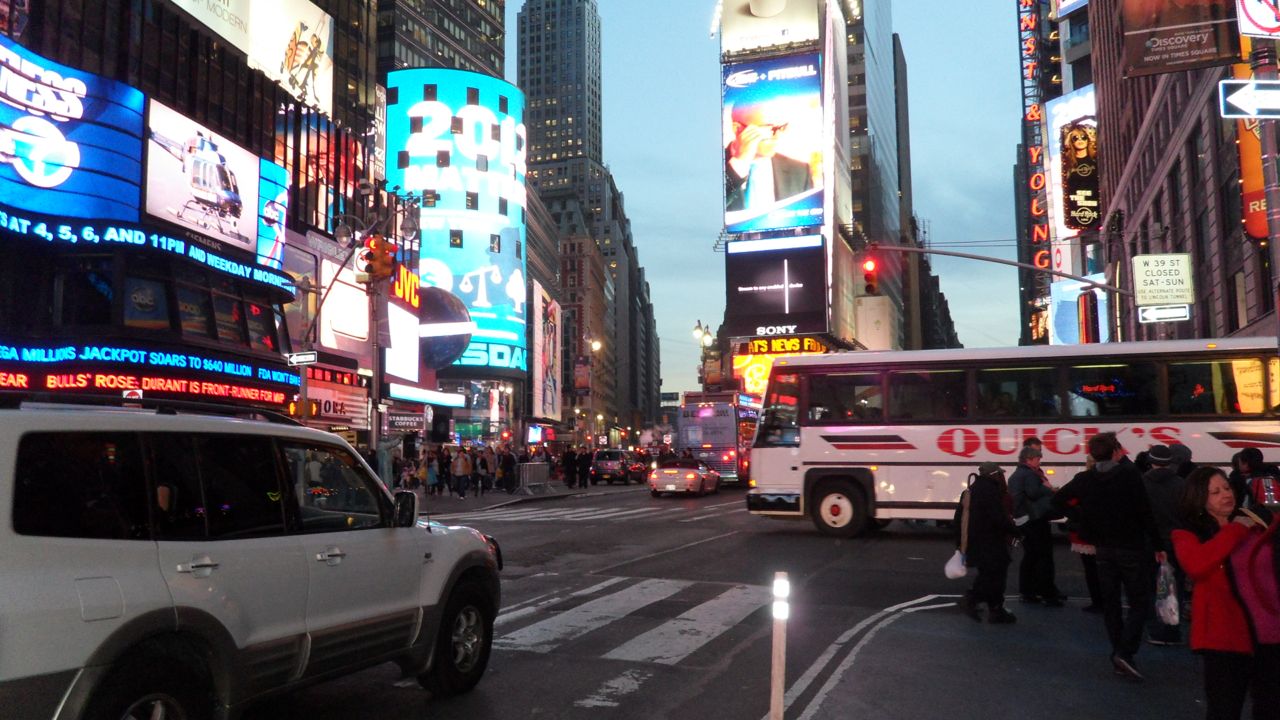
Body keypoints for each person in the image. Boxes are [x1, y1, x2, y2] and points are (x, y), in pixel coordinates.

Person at [1052, 432, 1163, 681]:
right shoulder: (1129, 475)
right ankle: (1125, 651)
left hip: (1102, 547)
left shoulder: (1085, 479)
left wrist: (1082, 516)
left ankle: (1117, 652)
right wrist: (1158, 544)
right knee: (1139, 601)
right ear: (1116, 452)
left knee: (1111, 603)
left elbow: (1057, 501)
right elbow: (1145, 512)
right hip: (1131, 546)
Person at [1171, 466, 1280, 720]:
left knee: (1271, 707)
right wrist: (1236, 529)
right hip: (1224, 637)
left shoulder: (1256, 521)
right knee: (1224, 710)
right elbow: (1197, 565)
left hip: (1269, 633)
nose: (1225, 495)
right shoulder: (1188, 533)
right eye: (1215, 492)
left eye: (1227, 488)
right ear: (1200, 498)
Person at [724, 97, 814, 213]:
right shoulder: (709, 165)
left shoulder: (800, 172)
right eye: (768, 128)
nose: (777, 136)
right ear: (738, 129)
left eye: (781, 127)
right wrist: (740, 162)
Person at [959, 462, 1020, 624]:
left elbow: (959, 518)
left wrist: (960, 542)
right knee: (995, 575)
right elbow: (998, 517)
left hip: (976, 541)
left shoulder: (971, 489)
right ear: (994, 475)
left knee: (987, 574)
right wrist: (1016, 531)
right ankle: (977, 600)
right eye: (1000, 474)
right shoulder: (991, 491)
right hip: (991, 541)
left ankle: (994, 608)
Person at [1142, 444, 1187, 646]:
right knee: (1173, 586)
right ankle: (1173, 629)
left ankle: (1157, 630)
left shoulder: (1141, 483)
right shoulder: (1181, 484)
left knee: (1153, 586)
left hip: (1151, 543)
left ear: (1150, 462)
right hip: (1176, 542)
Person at [1008, 445, 1064, 606]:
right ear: (1029, 459)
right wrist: (1049, 488)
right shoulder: (1029, 474)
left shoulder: (1016, 475)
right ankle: (1047, 592)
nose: (1039, 462)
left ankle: (1028, 591)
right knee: (1043, 557)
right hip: (1034, 519)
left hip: (1022, 519)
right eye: (1038, 459)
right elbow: (1033, 493)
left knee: (1030, 557)